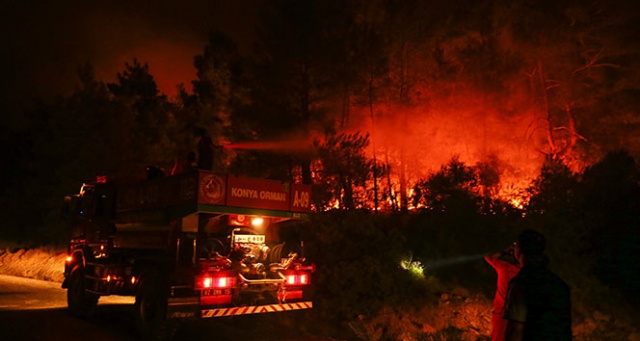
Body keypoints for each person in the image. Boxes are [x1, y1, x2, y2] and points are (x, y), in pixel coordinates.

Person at [503, 229, 572, 341]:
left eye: (516, 245)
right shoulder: (559, 284)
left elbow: (515, 330)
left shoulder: (522, 282)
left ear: (519, 249)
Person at [485, 245, 520, 341]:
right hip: (519, 316)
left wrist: (505, 251)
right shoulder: (528, 274)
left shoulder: (504, 268)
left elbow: (489, 257)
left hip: (501, 313)